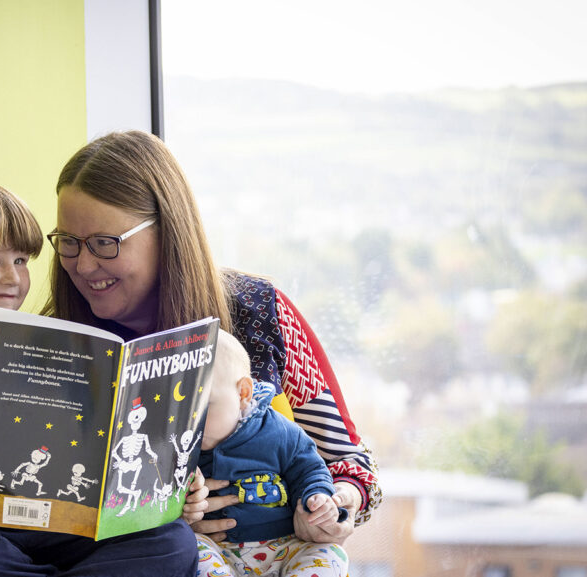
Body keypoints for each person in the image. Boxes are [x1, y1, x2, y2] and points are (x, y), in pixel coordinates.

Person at [40, 130, 381, 562]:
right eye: (68, 242)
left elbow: (352, 466)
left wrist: (334, 507)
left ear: (167, 232)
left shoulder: (263, 313)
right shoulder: (54, 344)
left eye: (105, 244)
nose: (84, 265)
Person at [0, 177, 199, 577]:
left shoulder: (37, 350)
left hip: (40, 525)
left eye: (21, 260)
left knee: (173, 540)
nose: (14, 277)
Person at [196, 329, 349, 577]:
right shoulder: (179, 443)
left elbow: (310, 469)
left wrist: (317, 497)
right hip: (218, 553)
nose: (192, 421)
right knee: (190, 549)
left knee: (330, 554)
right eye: (183, 409)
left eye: (203, 406)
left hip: (286, 547)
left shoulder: (279, 432)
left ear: (243, 393)